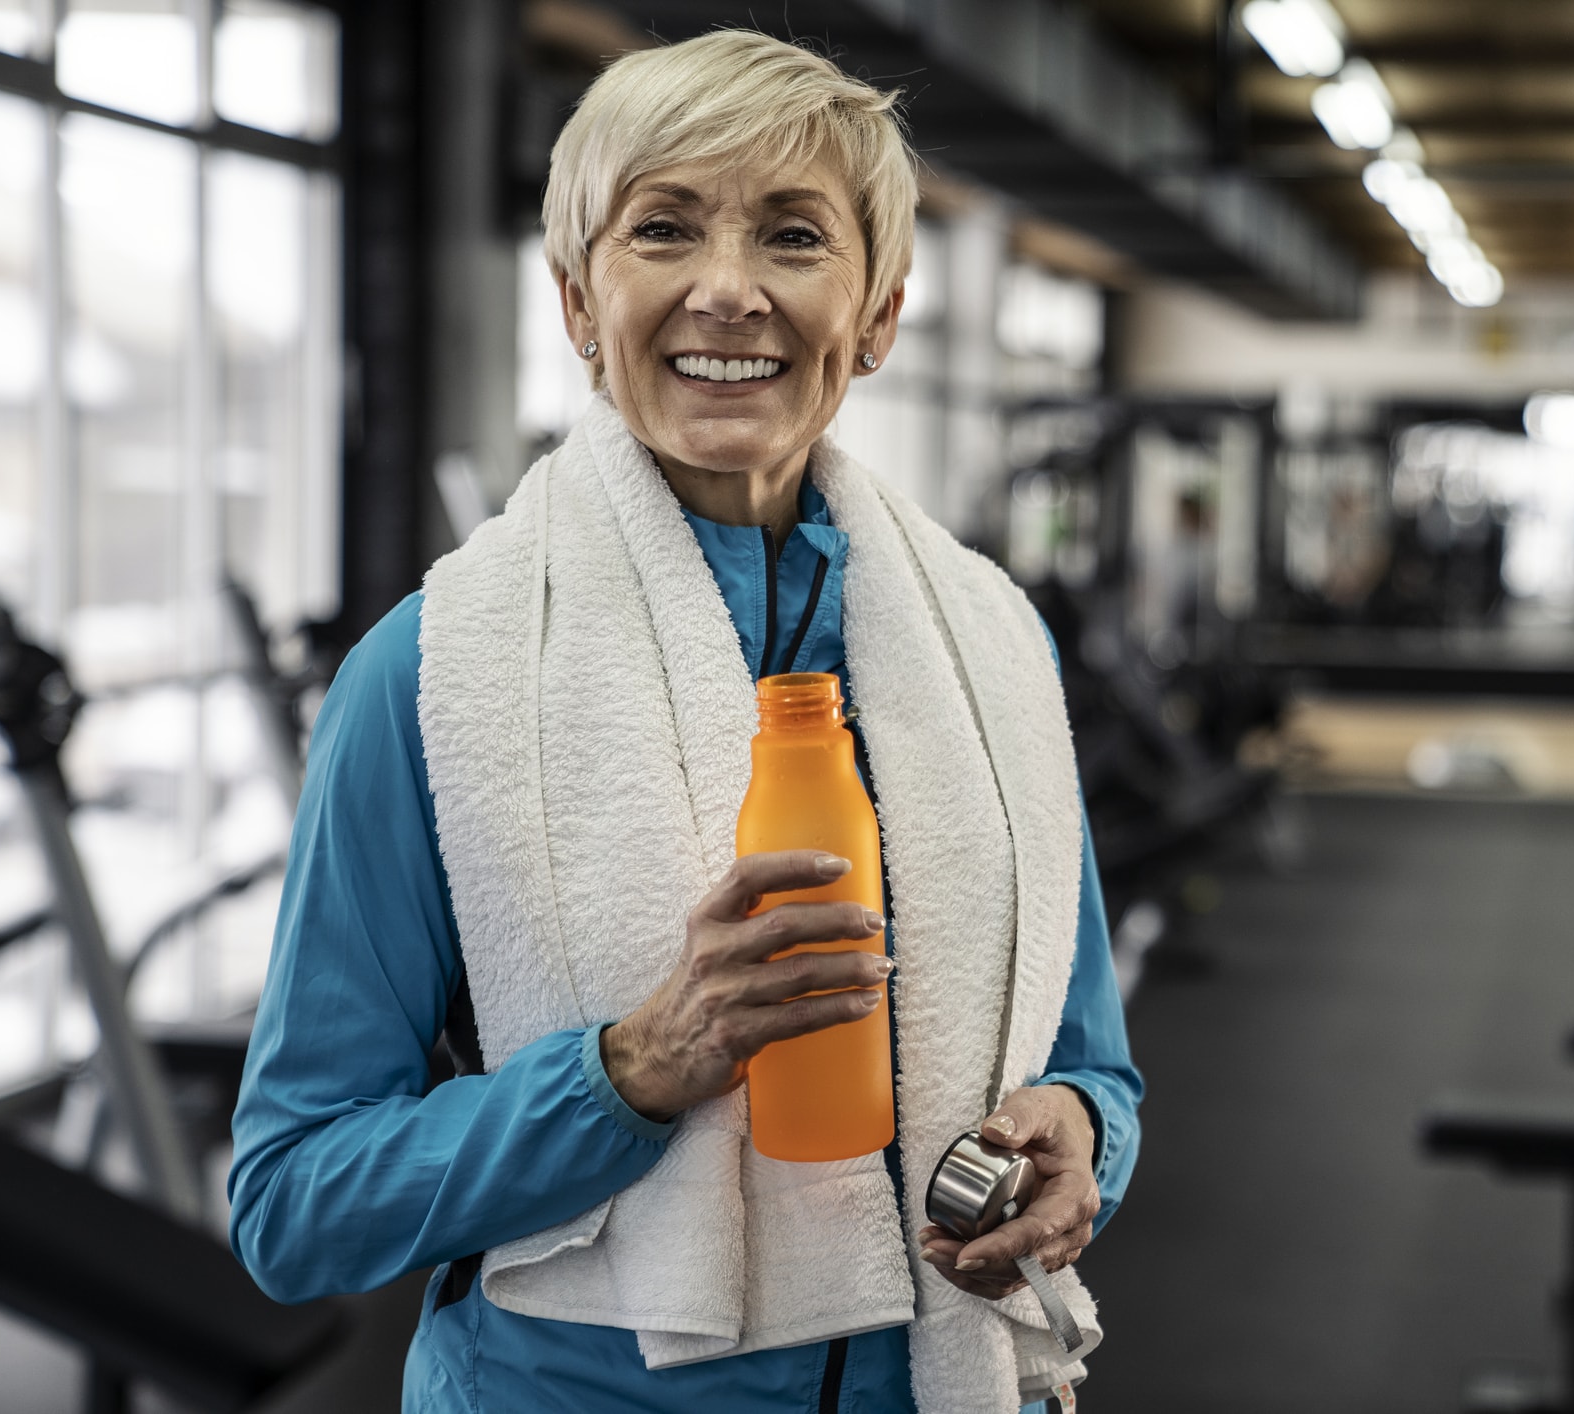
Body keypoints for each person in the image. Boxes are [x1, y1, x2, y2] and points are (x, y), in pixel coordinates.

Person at [227, 31, 1141, 1414]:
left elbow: (1090, 1064)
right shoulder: (427, 676)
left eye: (792, 235)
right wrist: (632, 1070)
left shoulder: (995, 648)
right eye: (663, 228)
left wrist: (1079, 1139)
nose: (728, 290)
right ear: (581, 304)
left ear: (878, 315)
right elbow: (293, 1204)